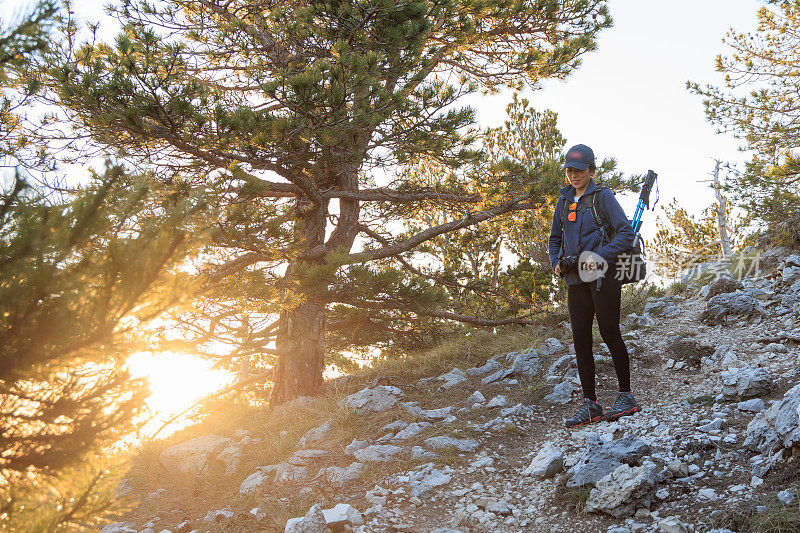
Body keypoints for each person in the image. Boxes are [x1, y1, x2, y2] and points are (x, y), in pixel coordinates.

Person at [548, 144, 641, 428]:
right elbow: (554, 239)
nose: (574, 175)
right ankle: (591, 404)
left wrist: (599, 257)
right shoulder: (564, 201)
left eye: (580, 170)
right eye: (570, 170)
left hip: (603, 276)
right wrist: (556, 261)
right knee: (581, 341)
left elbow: (625, 232)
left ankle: (626, 396)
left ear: (592, 170)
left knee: (610, 333)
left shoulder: (603, 197)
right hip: (575, 280)